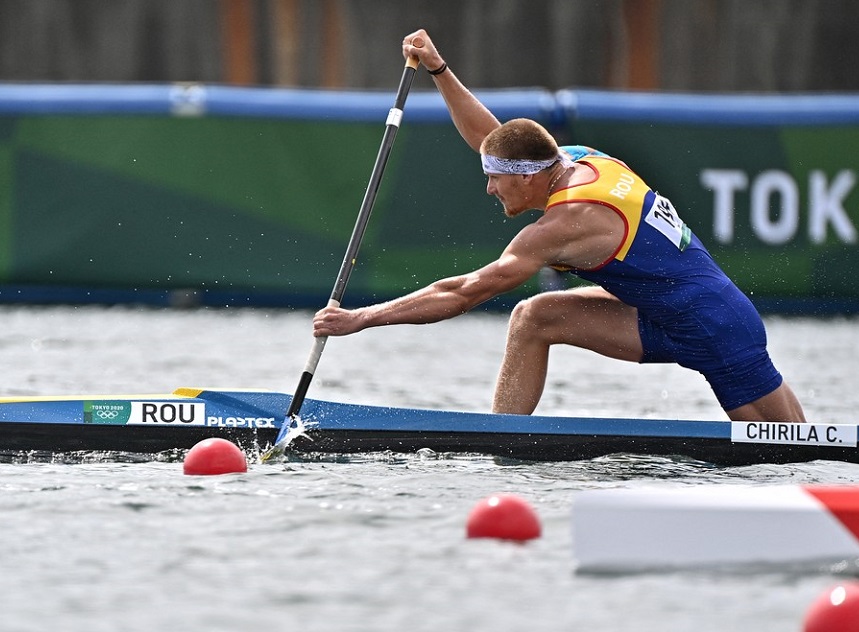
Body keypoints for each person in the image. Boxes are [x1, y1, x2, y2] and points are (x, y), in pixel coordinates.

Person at [312, 29, 806, 423]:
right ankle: (503, 440)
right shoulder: (576, 159)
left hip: (715, 328)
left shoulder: (566, 223)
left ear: (528, 180)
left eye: (495, 181)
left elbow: (463, 293)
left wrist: (362, 319)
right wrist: (439, 69)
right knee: (534, 318)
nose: (489, 189)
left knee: (793, 458)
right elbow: (495, 140)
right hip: (661, 312)